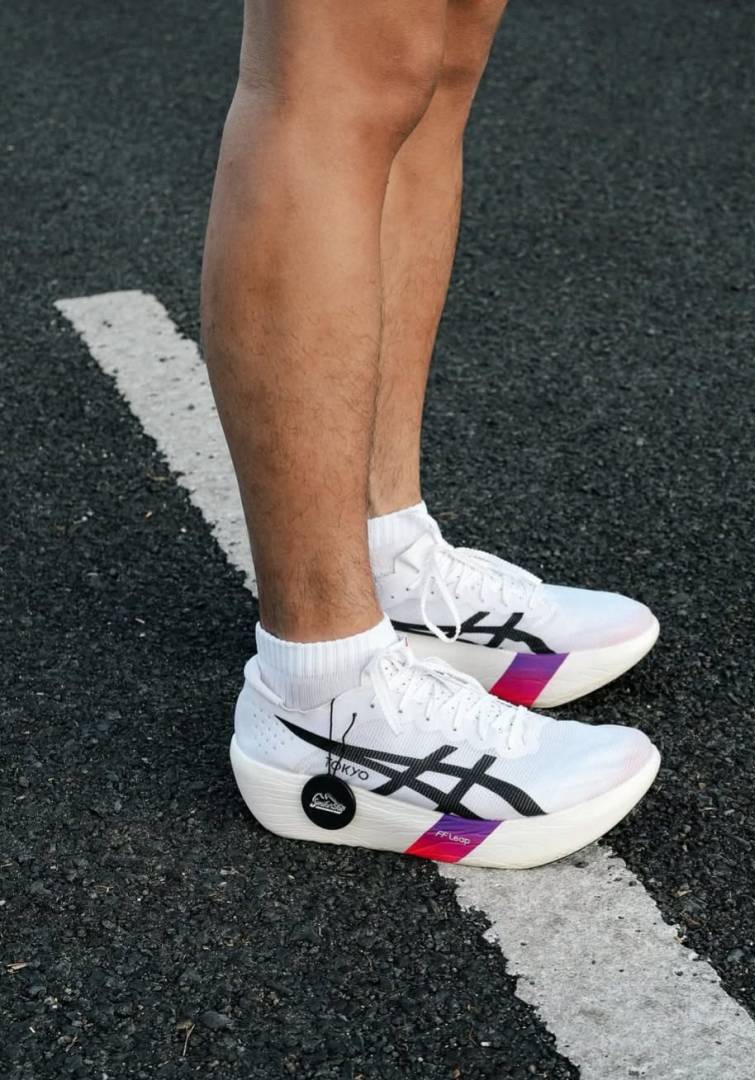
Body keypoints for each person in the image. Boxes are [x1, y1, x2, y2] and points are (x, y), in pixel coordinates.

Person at [201, 0, 660, 868]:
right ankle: (322, 689)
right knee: (336, 75)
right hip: (320, 711)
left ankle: (384, 551)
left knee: (437, 64)